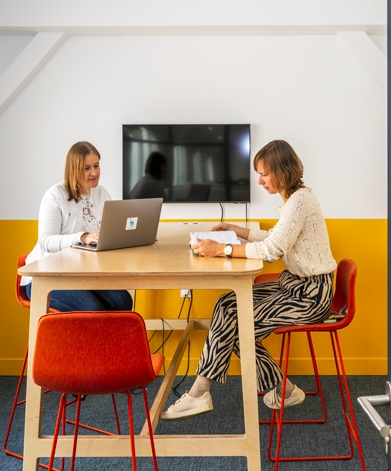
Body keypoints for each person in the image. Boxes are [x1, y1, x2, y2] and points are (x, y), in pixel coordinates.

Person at [161, 139, 337, 420]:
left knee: (236, 320)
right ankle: (283, 388)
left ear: (282, 171)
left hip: (310, 296)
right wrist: (237, 231)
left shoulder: (300, 201)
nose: (259, 180)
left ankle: (199, 392)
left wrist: (222, 248)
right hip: (294, 286)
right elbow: (275, 238)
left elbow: (271, 251)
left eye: (265, 173)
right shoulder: (294, 200)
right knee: (227, 305)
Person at [22, 141, 134, 312]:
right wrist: (82, 237)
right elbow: (46, 241)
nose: (94, 172)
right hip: (46, 276)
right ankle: (92, 339)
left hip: (82, 273)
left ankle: (109, 340)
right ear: (74, 169)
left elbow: (109, 230)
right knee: (92, 308)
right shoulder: (55, 195)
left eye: (96, 166)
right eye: (87, 168)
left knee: (123, 301)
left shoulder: (101, 193)